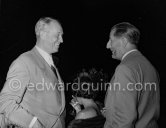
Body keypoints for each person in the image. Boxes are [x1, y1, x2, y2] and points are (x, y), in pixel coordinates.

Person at [0, 17, 65, 128]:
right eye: (58, 35)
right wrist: (32, 123)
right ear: (43, 34)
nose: (61, 40)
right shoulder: (24, 61)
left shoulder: (52, 64)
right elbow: (5, 103)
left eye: (62, 36)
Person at [104, 22, 160, 128]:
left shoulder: (124, 68)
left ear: (124, 41)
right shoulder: (150, 67)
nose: (108, 46)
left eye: (111, 40)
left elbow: (124, 120)